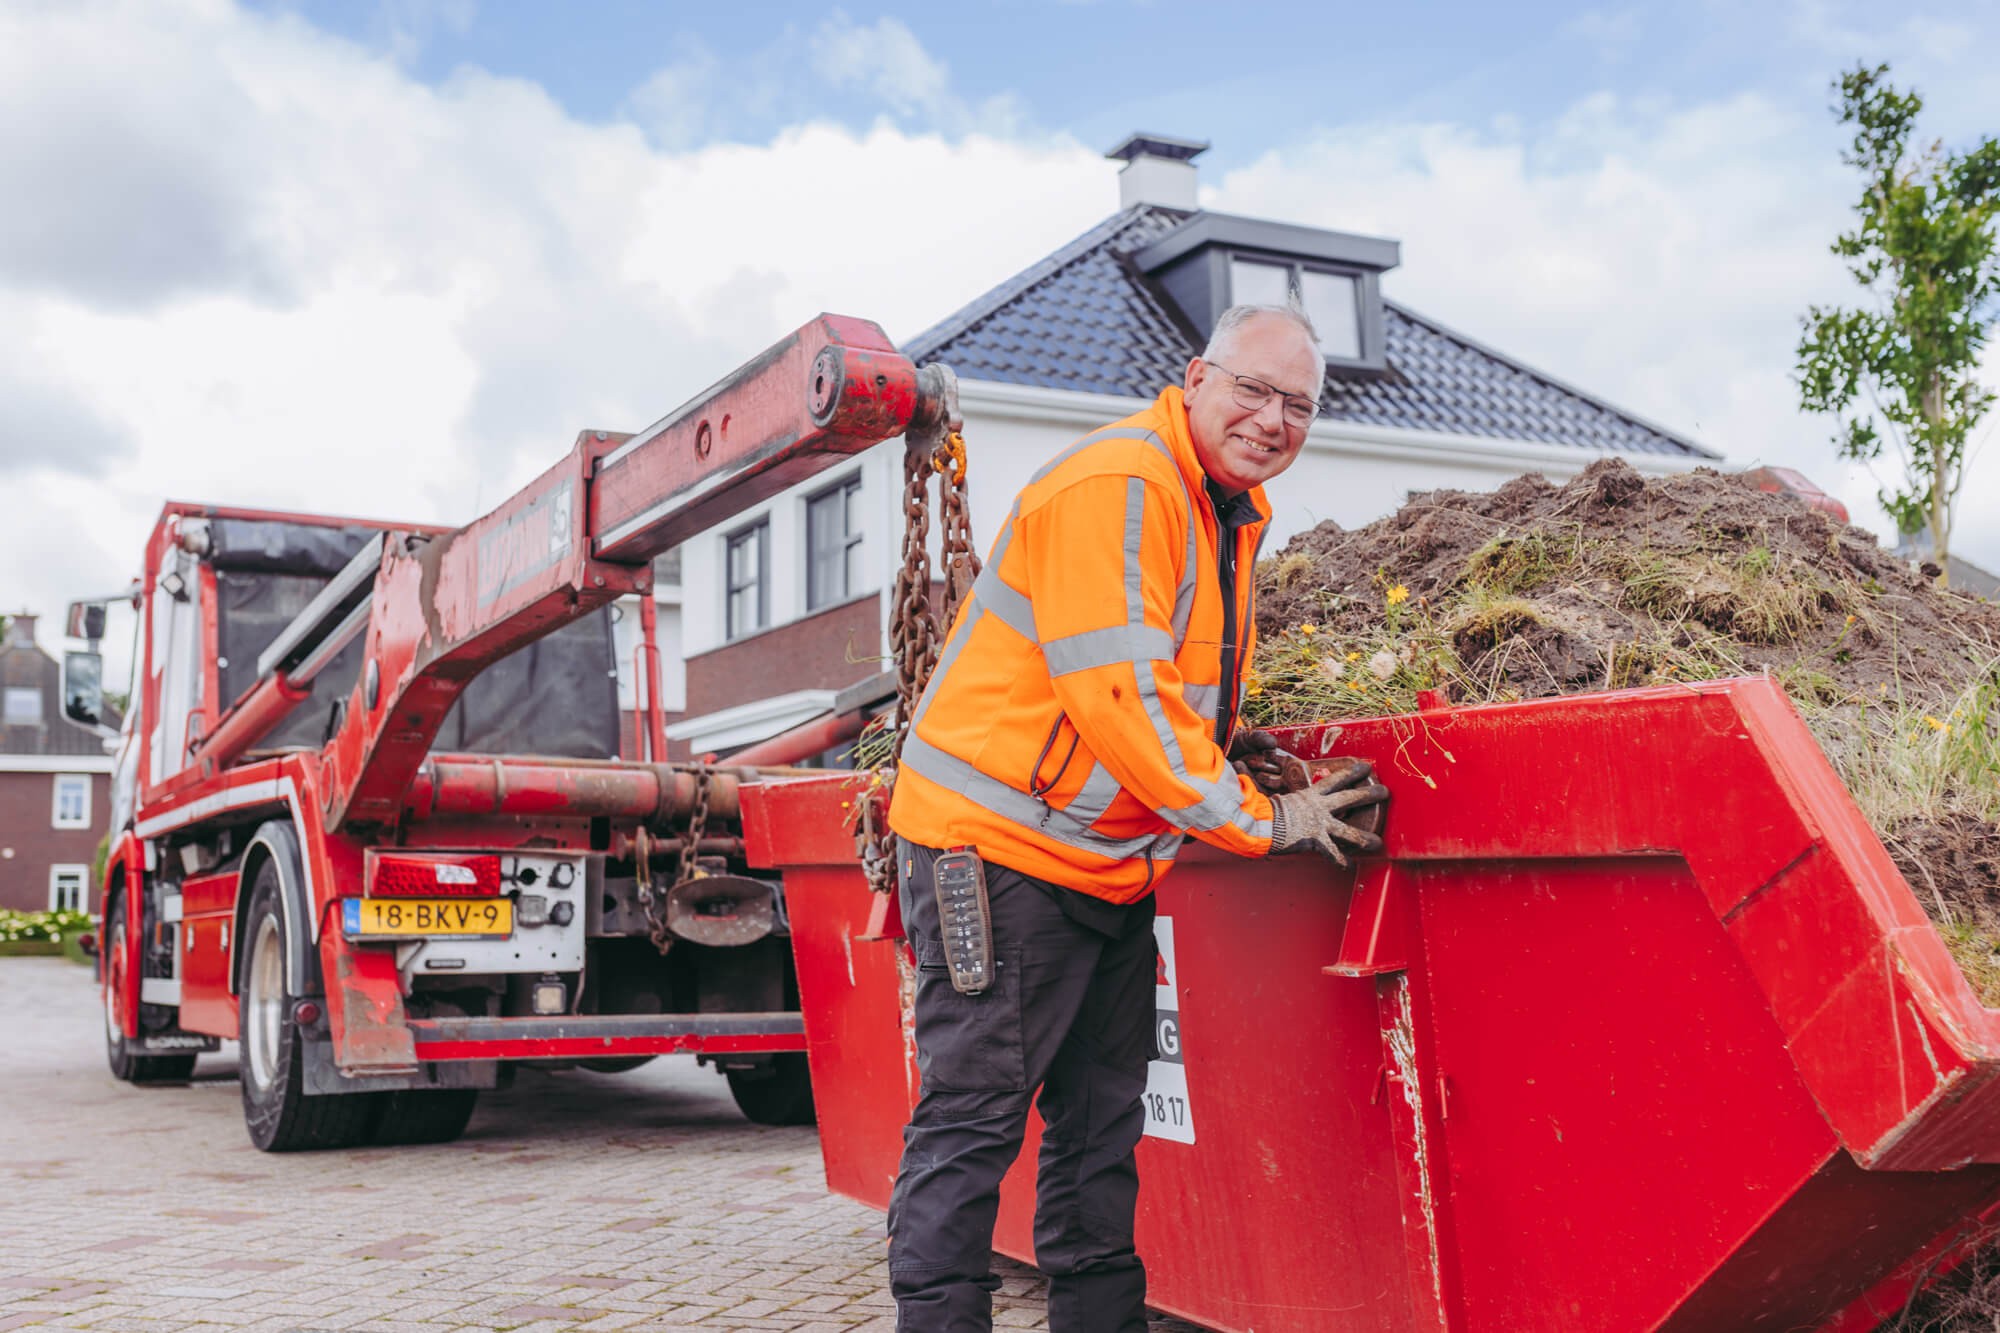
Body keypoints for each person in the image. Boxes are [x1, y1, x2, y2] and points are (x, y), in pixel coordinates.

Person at [883, 302, 1392, 1332]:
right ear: (1194, 376)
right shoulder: (1121, 483)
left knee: (1097, 1130)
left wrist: (1224, 742)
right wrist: (1269, 821)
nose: (1271, 419)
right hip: (994, 855)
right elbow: (1121, 701)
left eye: (1297, 404)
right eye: (1252, 389)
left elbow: (1162, 683)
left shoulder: (1219, 507)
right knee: (974, 1123)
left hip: (1100, 866)